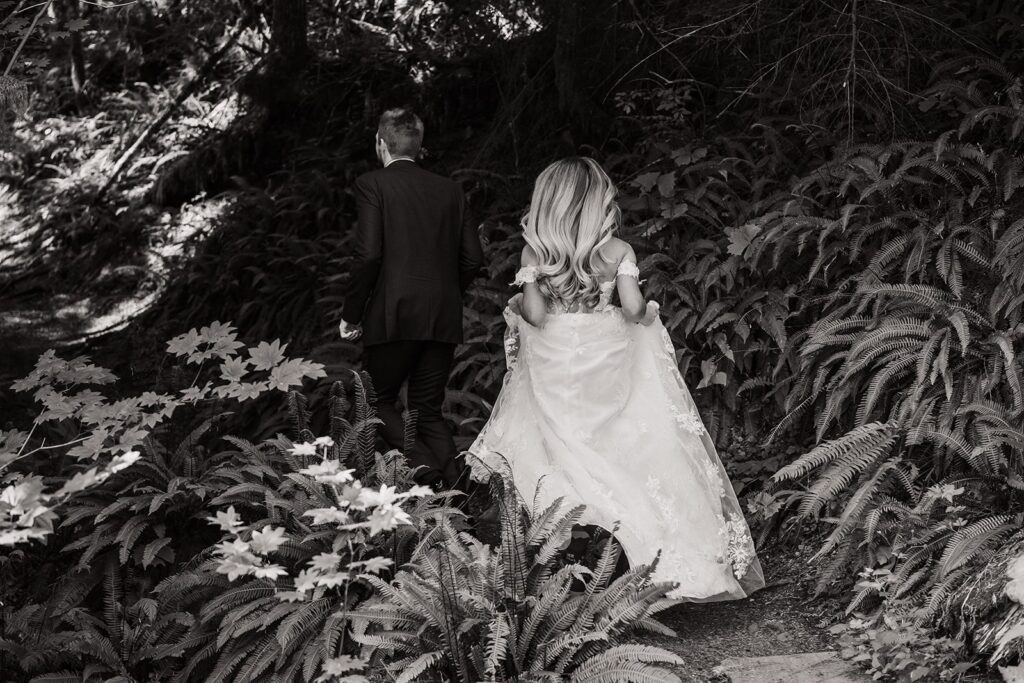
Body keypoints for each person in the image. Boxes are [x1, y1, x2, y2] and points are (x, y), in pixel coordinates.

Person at [465, 157, 765, 601]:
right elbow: (631, 310)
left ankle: (568, 549)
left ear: (549, 203)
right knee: (622, 442)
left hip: (556, 367)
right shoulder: (619, 251)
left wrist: (525, 298)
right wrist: (649, 312)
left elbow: (534, 315)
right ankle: (633, 547)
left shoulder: (536, 255)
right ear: (598, 204)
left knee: (560, 446)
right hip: (604, 366)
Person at [339, 108, 484, 491]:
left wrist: (352, 314)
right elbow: (473, 258)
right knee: (427, 411)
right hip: (442, 314)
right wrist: (444, 292)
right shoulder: (451, 190)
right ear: (420, 148)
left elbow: (368, 254)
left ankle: (427, 472)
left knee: (375, 401)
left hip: (393, 313)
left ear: (380, 144)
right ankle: (459, 498)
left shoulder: (373, 184)